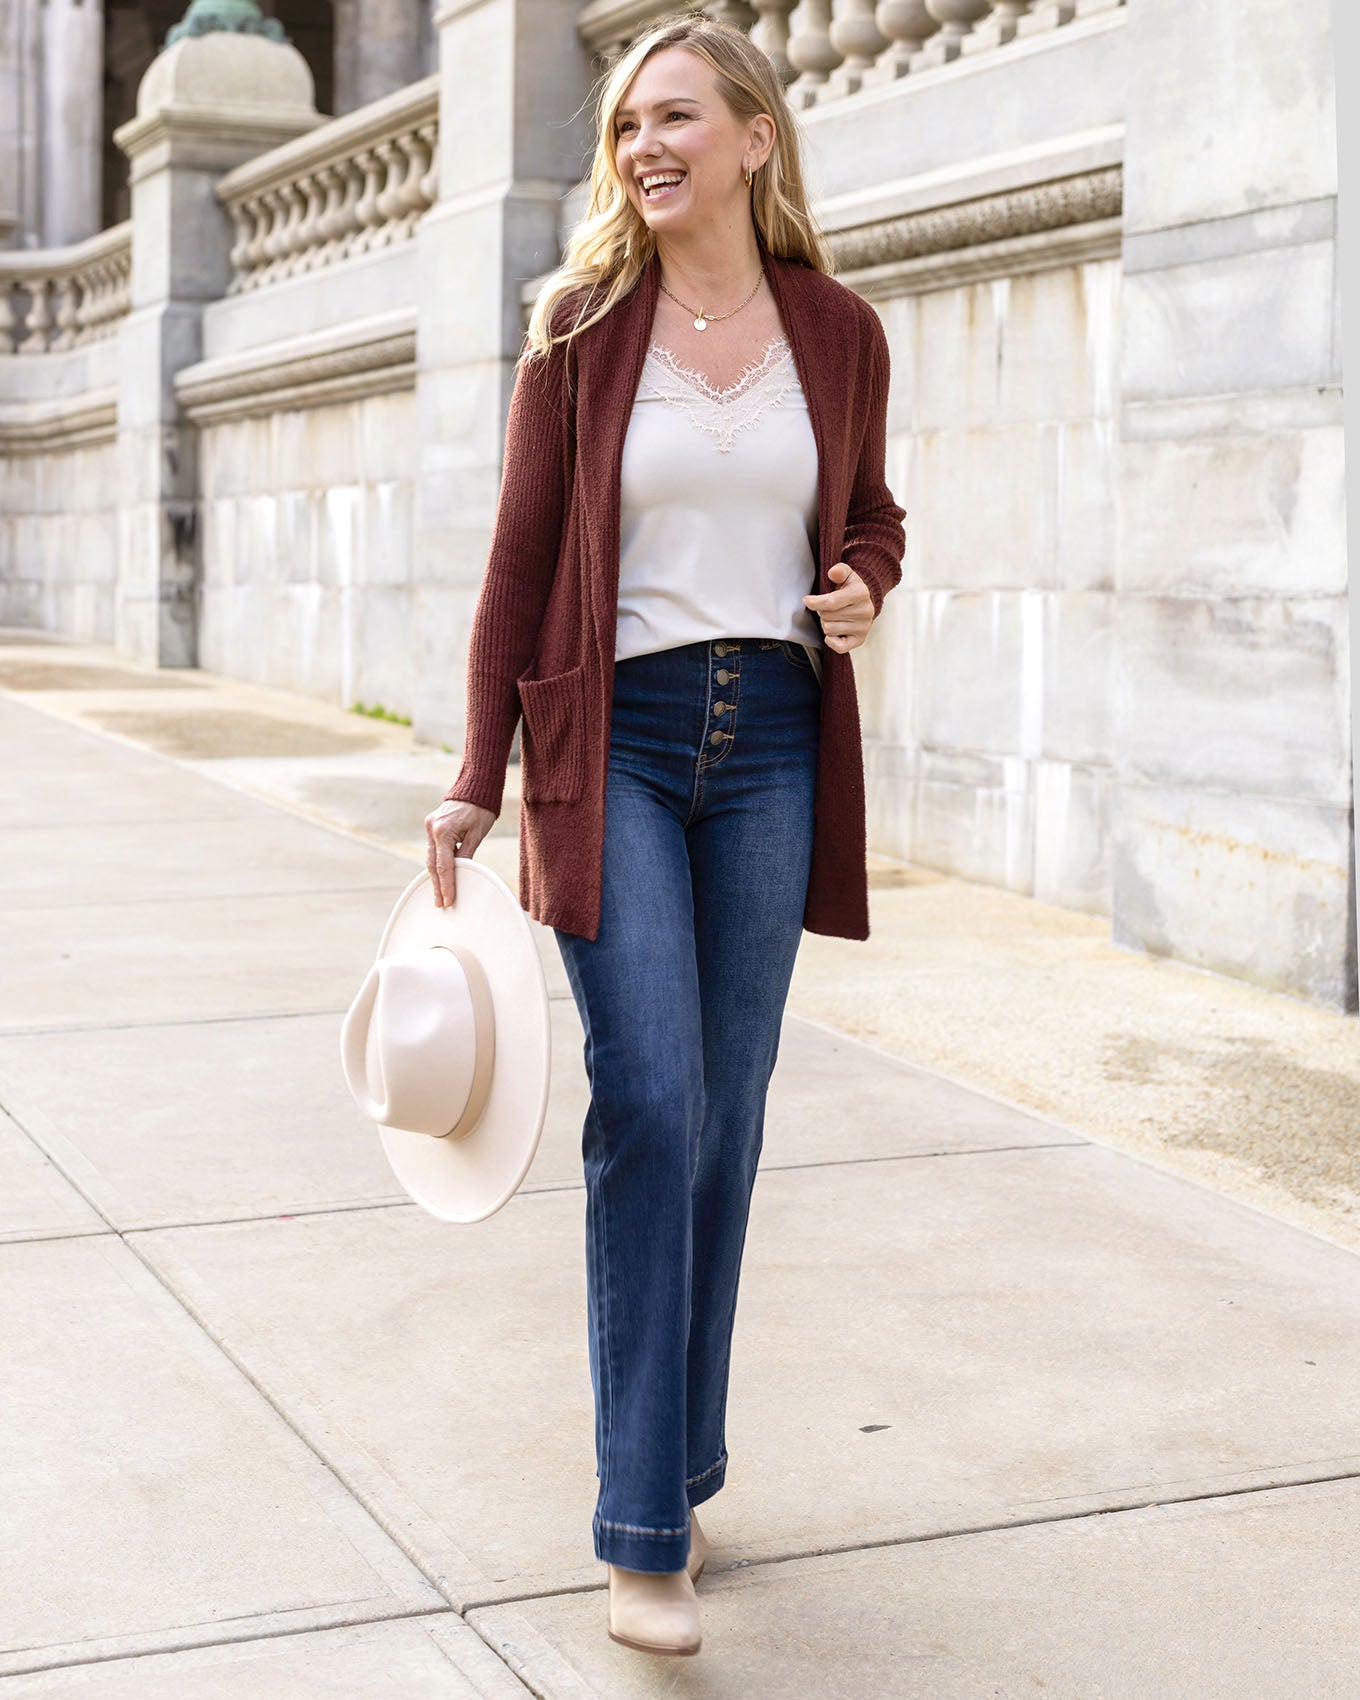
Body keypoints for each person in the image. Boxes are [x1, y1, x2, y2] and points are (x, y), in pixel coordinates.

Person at [424, 10, 905, 1659]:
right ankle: (643, 1528)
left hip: (770, 741)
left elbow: (872, 513)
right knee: (646, 1097)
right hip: (611, 746)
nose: (645, 144)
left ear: (755, 136)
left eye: (678, 114)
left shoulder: (837, 332)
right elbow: (516, 566)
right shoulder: (577, 329)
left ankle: (683, 1453)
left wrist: (861, 585)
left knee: (729, 1114)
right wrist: (477, 776)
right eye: (629, 121)